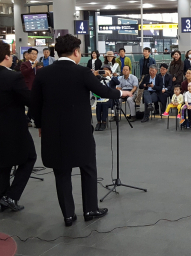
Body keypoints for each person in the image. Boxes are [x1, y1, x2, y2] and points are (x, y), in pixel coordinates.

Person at [30, 34, 132, 226]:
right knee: (88, 168)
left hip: (54, 132)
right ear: (76, 52)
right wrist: (121, 93)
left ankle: (68, 215)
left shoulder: (43, 73)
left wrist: (40, 125)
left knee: (61, 172)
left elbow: (34, 104)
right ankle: (90, 209)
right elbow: (102, 91)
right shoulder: (82, 72)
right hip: (80, 132)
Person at [0, 41, 36, 212]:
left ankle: (0, 199)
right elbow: (28, 99)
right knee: (29, 158)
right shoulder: (13, 76)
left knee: (3, 163)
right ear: (6, 57)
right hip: (15, 125)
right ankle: (11, 196)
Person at [93, 65, 120, 131]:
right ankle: (99, 122)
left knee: (104, 104)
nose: (104, 71)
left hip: (111, 99)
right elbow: (93, 83)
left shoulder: (112, 79)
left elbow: (118, 82)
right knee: (99, 104)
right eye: (103, 70)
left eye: (106, 70)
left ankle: (104, 122)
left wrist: (110, 75)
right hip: (101, 98)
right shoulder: (99, 79)